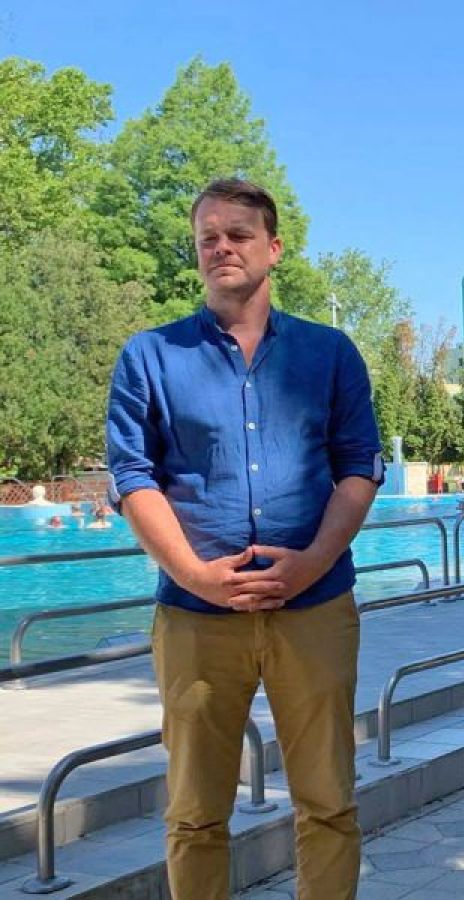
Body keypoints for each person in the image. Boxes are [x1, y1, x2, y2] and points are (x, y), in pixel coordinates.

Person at [106, 178, 383, 900]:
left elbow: (360, 466)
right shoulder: (151, 356)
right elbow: (133, 477)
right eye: (208, 237)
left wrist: (313, 562)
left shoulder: (329, 353)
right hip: (197, 617)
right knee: (196, 813)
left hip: (314, 607)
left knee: (328, 802)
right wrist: (196, 575)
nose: (221, 247)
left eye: (238, 234)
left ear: (274, 247)